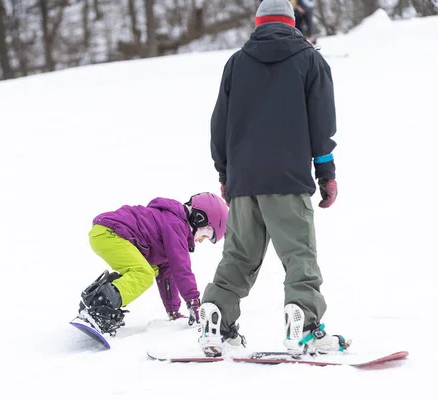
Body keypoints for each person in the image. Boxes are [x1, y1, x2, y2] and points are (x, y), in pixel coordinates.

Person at [198, 0, 347, 357]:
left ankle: (216, 316)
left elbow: (219, 125)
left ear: (258, 23)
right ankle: (305, 324)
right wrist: (325, 172)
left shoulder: (236, 63)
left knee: (238, 256)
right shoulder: (310, 60)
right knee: (299, 257)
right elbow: (321, 123)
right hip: (288, 178)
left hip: (244, 180)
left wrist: (225, 173)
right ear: (293, 22)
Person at [76, 192, 229, 336]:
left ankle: (93, 301)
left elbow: (167, 275)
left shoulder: (171, 223)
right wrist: (194, 303)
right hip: (112, 233)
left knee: (151, 269)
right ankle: (100, 308)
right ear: (199, 218)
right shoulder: (176, 224)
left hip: (104, 233)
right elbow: (181, 268)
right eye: (206, 234)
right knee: (144, 273)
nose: (201, 240)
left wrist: (173, 311)